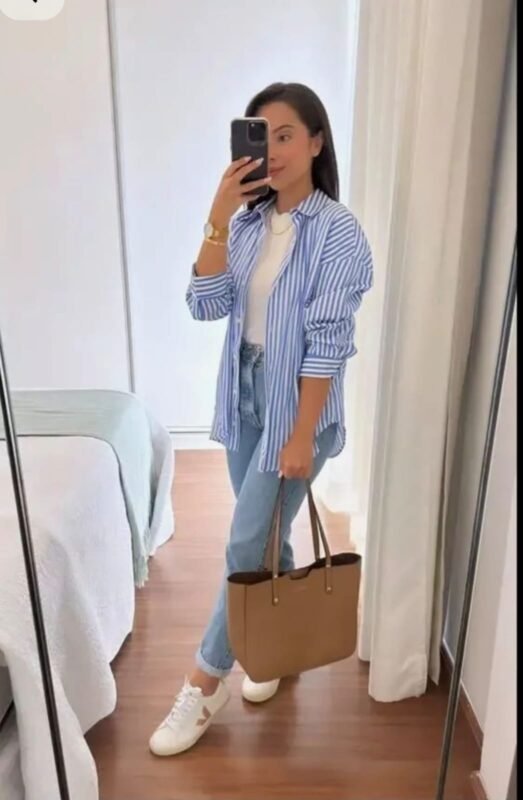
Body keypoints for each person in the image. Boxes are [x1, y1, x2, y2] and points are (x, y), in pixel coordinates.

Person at [149, 82, 373, 757]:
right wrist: (218, 216)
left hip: (297, 405)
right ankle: (272, 648)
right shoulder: (246, 224)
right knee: (267, 536)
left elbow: (328, 343)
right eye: (261, 135)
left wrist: (301, 435)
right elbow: (204, 305)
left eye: (285, 135)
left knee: (245, 545)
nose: (271, 150)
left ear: (316, 142)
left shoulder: (338, 232)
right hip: (244, 396)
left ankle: (203, 683)